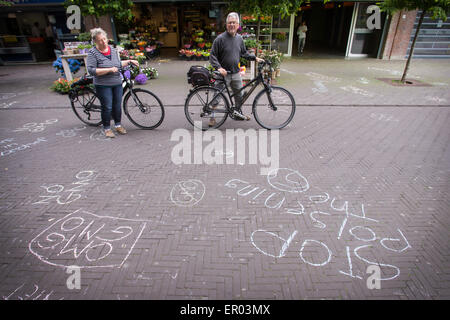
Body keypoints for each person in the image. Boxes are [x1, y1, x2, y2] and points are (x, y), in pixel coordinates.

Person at [209, 12, 264, 126]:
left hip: (235, 73)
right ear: (226, 24)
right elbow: (212, 55)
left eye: (234, 23)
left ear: (238, 24)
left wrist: (255, 58)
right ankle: (212, 117)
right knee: (217, 96)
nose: (232, 25)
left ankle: (237, 112)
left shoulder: (239, 38)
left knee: (240, 95)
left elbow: (244, 53)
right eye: (230, 23)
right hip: (223, 74)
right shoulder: (220, 39)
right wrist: (218, 68)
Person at [86, 28, 139, 138]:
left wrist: (129, 61)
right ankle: (107, 128)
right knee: (107, 107)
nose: (103, 42)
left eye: (104, 39)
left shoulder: (112, 50)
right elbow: (91, 70)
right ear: (95, 41)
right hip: (103, 84)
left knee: (117, 106)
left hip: (116, 82)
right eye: (100, 40)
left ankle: (118, 125)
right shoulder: (92, 53)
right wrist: (109, 70)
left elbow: (117, 64)